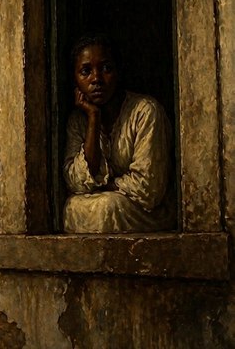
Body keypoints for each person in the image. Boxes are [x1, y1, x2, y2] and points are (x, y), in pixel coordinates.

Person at [62, 33, 175, 233]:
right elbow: (75, 181)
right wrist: (93, 118)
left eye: (106, 69)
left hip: (145, 211)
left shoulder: (145, 111)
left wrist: (106, 186)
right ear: (75, 79)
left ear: (118, 72)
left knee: (107, 206)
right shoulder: (78, 120)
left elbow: (149, 188)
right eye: (86, 71)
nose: (96, 79)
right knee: (72, 208)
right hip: (106, 202)